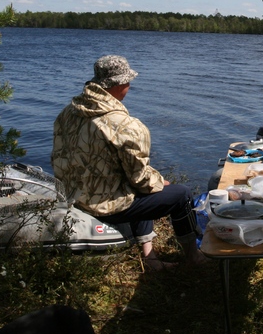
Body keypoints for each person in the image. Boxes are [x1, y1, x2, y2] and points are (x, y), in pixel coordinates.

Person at [51, 55, 206, 271]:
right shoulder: (125, 125)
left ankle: (149, 256)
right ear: (118, 85)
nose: (129, 86)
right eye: (127, 82)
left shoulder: (67, 113)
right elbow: (141, 180)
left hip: (74, 197)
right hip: (104, 206)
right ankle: (193, 257)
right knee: (181, 195)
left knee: (136, 184)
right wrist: (160, 182)